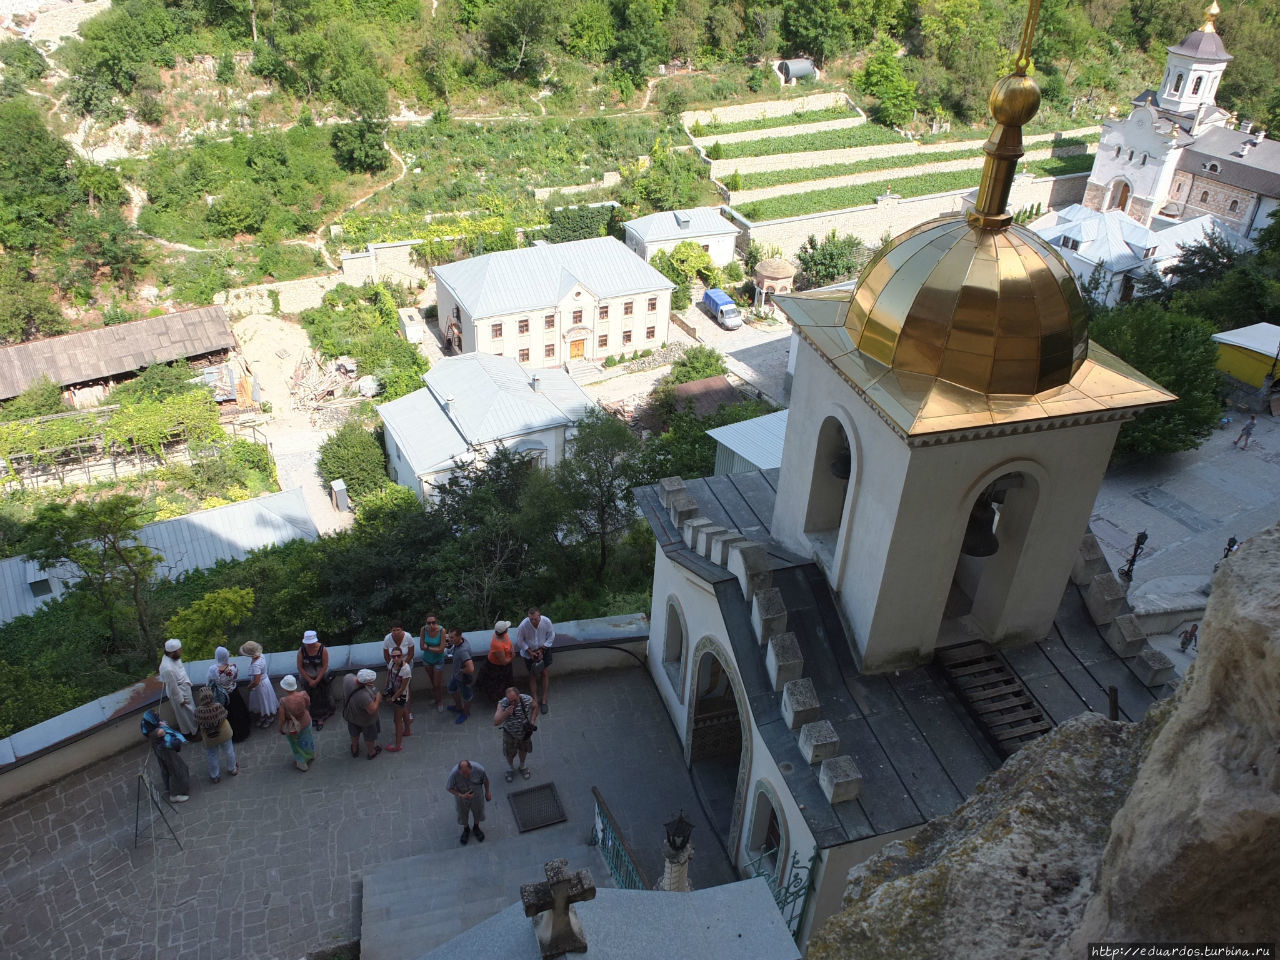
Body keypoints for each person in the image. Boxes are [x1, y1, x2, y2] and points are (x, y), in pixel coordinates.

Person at [140, 709, 189, 803]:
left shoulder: (146, 726)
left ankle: (169, 787)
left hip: (159, 750)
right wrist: (160, 724)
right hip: (166, 751)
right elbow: (163, 731)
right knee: (176, 769)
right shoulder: (157, 731)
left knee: (166, 769)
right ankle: (175, 794)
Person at [514, 607, 555, 715]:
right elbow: (519, 640)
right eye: (531, 619)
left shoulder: (546, 622)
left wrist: (542, 649)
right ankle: (535, 700)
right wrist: (529, 652)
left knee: (545, 673)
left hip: (544, 649)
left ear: (539, 616)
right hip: (529, 652)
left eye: (535, 619)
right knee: (532, 675)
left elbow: (551, 636)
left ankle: (544, 699)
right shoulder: (523, 625)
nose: (533, 621)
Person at [493, 686, 538, 783]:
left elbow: (535, 706)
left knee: (523, 749)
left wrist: (532, 721)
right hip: (510, 733)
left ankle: (522, 766)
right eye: (510, 701)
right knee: (509, 753)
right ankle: (511, 768)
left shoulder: (527, 699)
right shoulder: (503, 703)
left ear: (519, 695)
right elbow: (496, 722)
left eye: (514, 700)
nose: (512, 703)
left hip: (524, 732)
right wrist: (506, 713)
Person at [207, 646, 251, 742]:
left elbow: (209, 683)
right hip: (234, 693)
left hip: (223, 696)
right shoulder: (233, 667)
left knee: (229, 716)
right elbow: (235, 678)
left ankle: (231, 735)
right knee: (239, 713)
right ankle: (244, 732)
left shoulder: (213, 670)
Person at [194, 688, 237, 783]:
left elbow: (197, 722)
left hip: (209, 737)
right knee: (229, 751)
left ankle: (215, 775)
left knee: (212, 755)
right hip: (224, 733)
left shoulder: (198, 711)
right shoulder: (218, 706)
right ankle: (232, 768)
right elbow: (225, 714)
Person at [445, 759, 491, 845]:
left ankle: (476, 827)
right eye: (463, 774)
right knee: (462, 813)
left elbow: (486, 781)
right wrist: (461, 795)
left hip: (476, 794)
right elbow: (448, 788)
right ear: (459, 771)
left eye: (467, 773)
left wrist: (487, 792)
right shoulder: (454, 774)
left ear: (471, 769)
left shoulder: (479, 769)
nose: (465, 776)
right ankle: (466, 829)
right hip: (461, 795)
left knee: (478, 811)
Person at [158, 639, 198, 736]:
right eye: (179, 650)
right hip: (180, 694)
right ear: (172, 652)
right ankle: (192, 733)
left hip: (184, 688)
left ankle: (195, 729)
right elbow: (172, 687)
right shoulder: (167, 668)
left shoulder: (174, 658)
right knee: (186, 715)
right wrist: (181, 699)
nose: (181, 651)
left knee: (191, 712)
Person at [278, 675, 316, 772]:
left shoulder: (283, 701)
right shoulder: (303, 694)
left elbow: (282, 718)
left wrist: (281, 728)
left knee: (296, 744)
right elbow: (308, 704)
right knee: (307, 739)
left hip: (293, 727)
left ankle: (302, 763)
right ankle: (310, 755)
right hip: (306, 721)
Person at [343, 668, 383, 759]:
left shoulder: (347, 678)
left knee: (354, 733)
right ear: (366, 683)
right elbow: (372, 710)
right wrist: (377, 698)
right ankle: (371, 752)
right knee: (369, 737)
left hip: (351, 715)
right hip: (365, 720)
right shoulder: (363, 696)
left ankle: (354, 749)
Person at [297, 630, 332, 729]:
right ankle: (312, 717)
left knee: (322, 696)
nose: (309, 645)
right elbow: (300, 667)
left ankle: (321, 717)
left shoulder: (322, 649)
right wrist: (309, 680)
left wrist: (316, 680)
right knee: (309, 698)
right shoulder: (301, 650)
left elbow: (325, 666)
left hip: (320, 677)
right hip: (307, 677)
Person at [383, 623, 415, 731]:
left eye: (398, 630)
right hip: (394, 668)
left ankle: (408, 712)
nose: (395, 632)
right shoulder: (387, 639)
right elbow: (386, 655)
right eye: (393, 630)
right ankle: (402, 713)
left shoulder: (408, 637)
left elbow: (411, 653)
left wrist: (402, 665)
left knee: (405, 689)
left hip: (406, 665)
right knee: (396, 688)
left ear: (402, 630)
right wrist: (393, 666)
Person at [240, 641, 279, 729]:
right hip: (265, 681)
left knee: (263, 701)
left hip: (260, 686)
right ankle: (265, 715)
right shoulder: (261, 656)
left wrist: (250, 686)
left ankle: (269, 717)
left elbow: (256, 681)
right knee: (265, 701)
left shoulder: (255, 665)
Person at [478, 620, 514, 702]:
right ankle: (500, 701)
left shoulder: (503, 635)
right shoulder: (497, 644)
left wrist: (512, 650)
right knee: (498, 686)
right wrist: (512, 657)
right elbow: (504, 661)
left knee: (504, 684)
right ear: (505, 631)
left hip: (503, 665)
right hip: (497, 667)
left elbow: (509, 644)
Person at [445, 628, 475, 725]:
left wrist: (461, 670)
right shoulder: (460, 642)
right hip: (456, 676)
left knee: (467, 696)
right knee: (451, 689)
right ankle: (458, 707)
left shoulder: (463, 651)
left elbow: (470, 668)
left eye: (452, 637)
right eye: (449, 636)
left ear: (459, 637)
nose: (449, 639)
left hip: (463, 678)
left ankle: (465, 713)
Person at [384, 647, 412, 752]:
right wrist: (386, 685)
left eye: (398, 656)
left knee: (397, 721)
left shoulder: (406, 669)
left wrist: (393, 698)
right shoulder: (391, 663)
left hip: (400, 696)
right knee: (404, 711)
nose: (396, 658)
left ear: (402, 656)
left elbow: (403, 688)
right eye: (393, 656)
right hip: (394, 691)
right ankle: (408, 730)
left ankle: (397, 745)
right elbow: (389, 673)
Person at [419, 614, 447, 713]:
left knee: (437, 684)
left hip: (438, 660)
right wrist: (431, 648)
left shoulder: (442, 631)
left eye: (433, 622)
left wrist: (428, 647)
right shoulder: (423, 630)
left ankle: (440, 702)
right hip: (427, 660)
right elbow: (421, 646)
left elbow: (441, 650)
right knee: (433, 682)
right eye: (429, 623)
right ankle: (436, 699)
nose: (431, 625)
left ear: (436, 622)